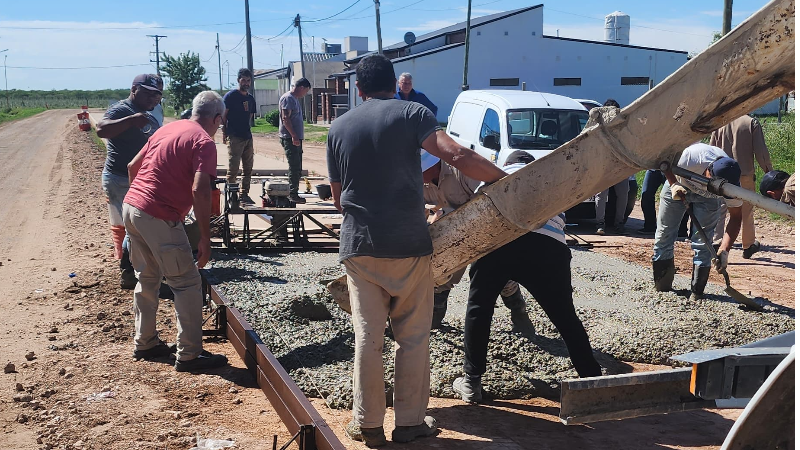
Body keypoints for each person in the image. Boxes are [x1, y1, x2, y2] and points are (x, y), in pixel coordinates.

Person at [326, 54, 506, 447]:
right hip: (407, 246)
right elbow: (456, 155)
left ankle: (367, 424)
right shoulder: (413, 114)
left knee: (368, 338)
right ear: (396, 83)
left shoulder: (337, 128)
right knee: (412, 337)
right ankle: (409, 423)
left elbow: (339, 200)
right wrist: (504, 179)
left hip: (359, 247)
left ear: (358, 89)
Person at [452, 151, 602, 404]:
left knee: (479, 309)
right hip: (547, 248)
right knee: (565, 316)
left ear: (507, 165)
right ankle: (592, 381)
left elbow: (475, 215)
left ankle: (471, 381)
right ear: (532, 166)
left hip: (497, 243)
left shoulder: (494, 176)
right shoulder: (550, 182)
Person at [122, 90, 228, 373]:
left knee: (147, 277)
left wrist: (144, 197)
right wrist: (205, 237)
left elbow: (133, 167)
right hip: (158, 214)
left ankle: (145, 342)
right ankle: (190, 355)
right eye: (221, 122)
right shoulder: (203, 142)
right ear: (216, 118)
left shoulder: (167, 129)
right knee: (187, 282)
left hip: (132, 207)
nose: (220, 128)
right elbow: (200, 189)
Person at [420, 152, 533, 332]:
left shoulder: (462, 171)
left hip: (484, 226)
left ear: (433, 165)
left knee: (501, 278)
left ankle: (520, 315)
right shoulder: (422, 182)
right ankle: (434, 321)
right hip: (452, 233)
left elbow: (489, 196)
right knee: (442, 276)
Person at [652, 143, 744, 301]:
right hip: (679, 183)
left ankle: (697, 293)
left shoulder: (732, 187)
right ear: (708, 172)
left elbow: (736, 218)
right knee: (664, 234)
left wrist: (725, 249)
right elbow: (665, 163)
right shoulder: (691, 158)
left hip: (708, 201)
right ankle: (663, 288)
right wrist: (673, 184)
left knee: (703, 242)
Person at [97, 74, 163, 289]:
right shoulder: (122, 109)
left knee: (137, 225)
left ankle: (137, 268)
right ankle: (129, 271)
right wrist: (131, 121)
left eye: (157, 95)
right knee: (135, 226)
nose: (153, 99)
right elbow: (101, 129)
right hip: (120, 178)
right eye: (148, 93)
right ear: (134, 89)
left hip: (140, 178)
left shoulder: (152, 112)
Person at [710, 115, 774, 259]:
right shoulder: (751, 122)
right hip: (744, 173)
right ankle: (748, 245)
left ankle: (716, 241)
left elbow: (712, 148)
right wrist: (769, 171)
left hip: (721, 172)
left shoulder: (720, 121)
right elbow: (761, 152)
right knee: (746, 209)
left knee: (721, 207)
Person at [592, 100, 628, 235]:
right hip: (604, 165)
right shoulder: (598, 125)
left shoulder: (623, 125)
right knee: (601, 195)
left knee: (623, 194)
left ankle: (619, 223)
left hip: (620, 165)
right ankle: (600, 224)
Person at [222, 69, 258, 204]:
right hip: (234, 136)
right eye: (243, 80)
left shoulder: (250, 98)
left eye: (248, 80)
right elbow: (223, 116)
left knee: (248, 168)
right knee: (233, 169)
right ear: (238, 80)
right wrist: (225, 133)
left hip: (247, 136)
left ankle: (244, 194)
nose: (246, 83)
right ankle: (232, 195)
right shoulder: (231, 96)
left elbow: (249, 117)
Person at [279, 77, 312, 204]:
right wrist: (293, 135)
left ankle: (294, 192)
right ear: (302, 87)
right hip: (290, 138)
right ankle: (292, 194)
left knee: (297, 167)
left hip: (295, 138)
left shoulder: (295, 99)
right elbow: (285, 118)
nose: (305, 94)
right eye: (306, 91)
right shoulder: (288, 98)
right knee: (294, 166)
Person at [639, 169, 691, 237]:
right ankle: (650, 226)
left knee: (678, 196)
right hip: (654, 167)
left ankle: (682, 229)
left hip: (672, 168)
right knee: (646, 195)